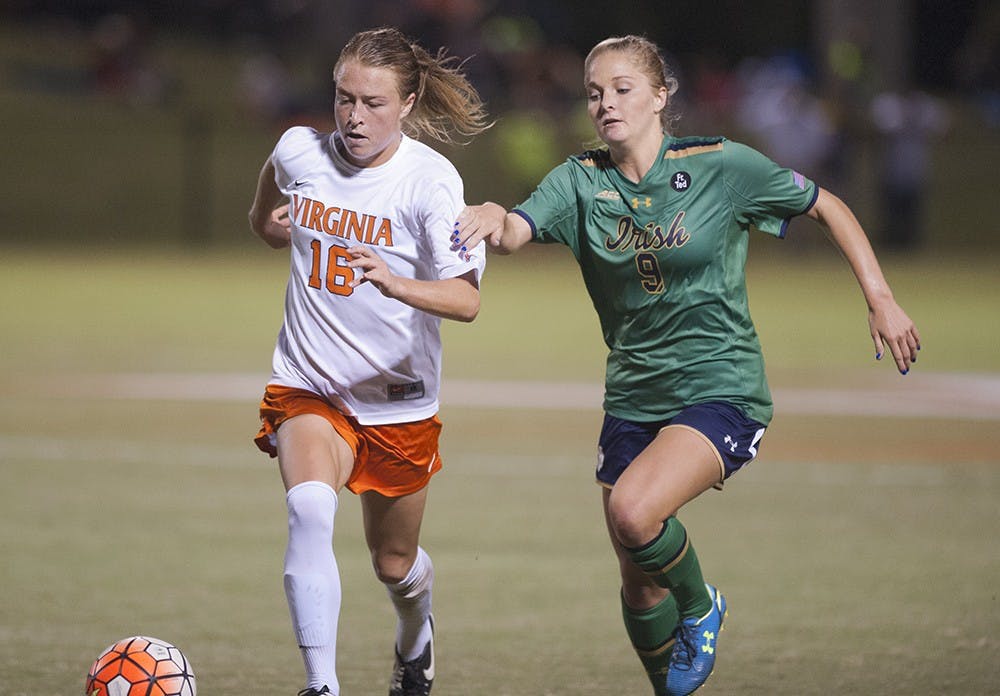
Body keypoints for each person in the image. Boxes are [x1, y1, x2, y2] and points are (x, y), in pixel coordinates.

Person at [454, 35, 920, 696]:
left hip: (720, 387)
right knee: (639, 583)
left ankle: (703, 606)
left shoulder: (720, 166)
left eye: (622, 88)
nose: (605, 103)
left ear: (660, 96)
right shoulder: (580, 180)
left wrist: (880, 297)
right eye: (594, 92)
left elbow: (826, 205)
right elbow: (513, 233)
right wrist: (492, 214)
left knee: (636, 515)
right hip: (631, 397)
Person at [248, 27, 491, 696]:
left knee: (394, 563)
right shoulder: (302, 150)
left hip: (398, 401)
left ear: (408, 102)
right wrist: (271, 222)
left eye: (375, 103)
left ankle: (416, 641)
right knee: (309, 512)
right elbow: (268, 211)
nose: (355, 117)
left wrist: (394, 282)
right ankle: (321, 686)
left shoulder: (430, 182)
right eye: (344, 98)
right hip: (310, 384)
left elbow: (465, 302)